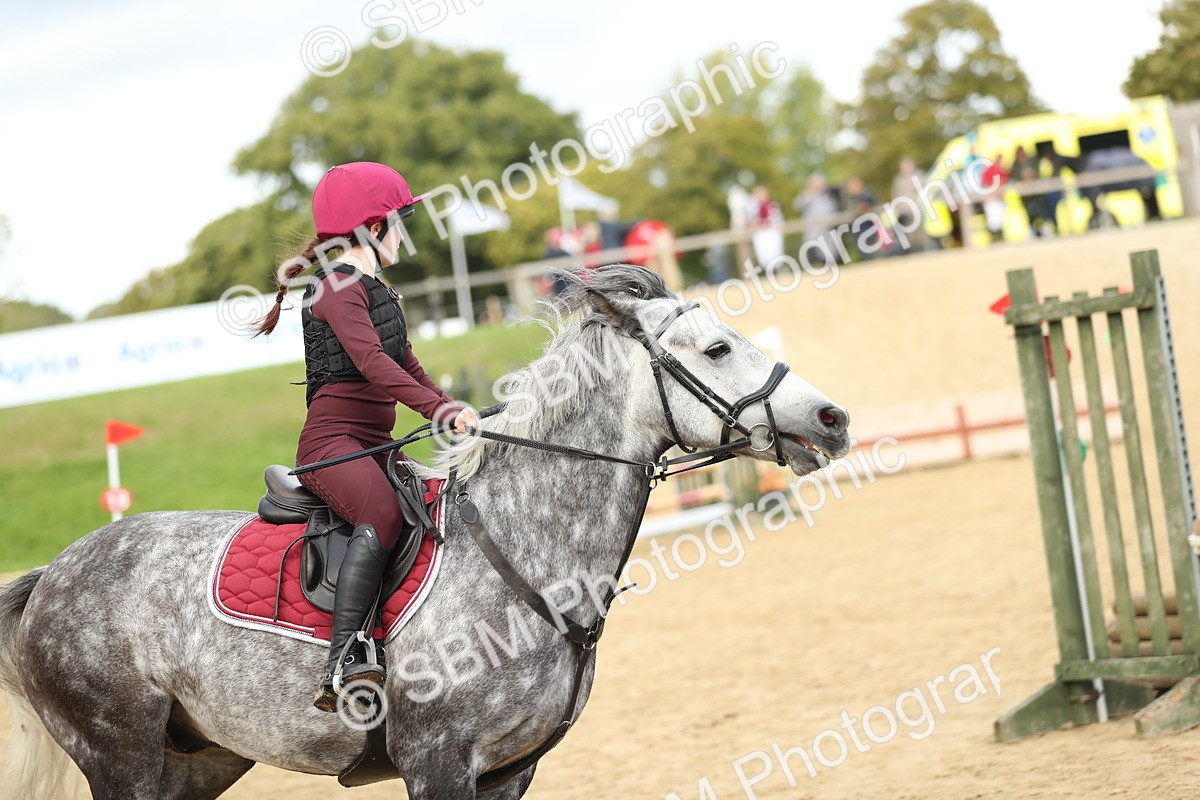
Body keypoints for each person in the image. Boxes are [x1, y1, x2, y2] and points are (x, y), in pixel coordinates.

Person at [254, 162, 478, 711]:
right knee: (382, 514)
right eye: (400, 221)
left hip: (374, 443)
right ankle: (344, 660)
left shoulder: (378, 290)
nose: (405, 233)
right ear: (375, 228)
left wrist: (454, 407)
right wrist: (437, 411)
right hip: (332, 446)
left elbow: (409, 365)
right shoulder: (336, 288)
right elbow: (374, 364)